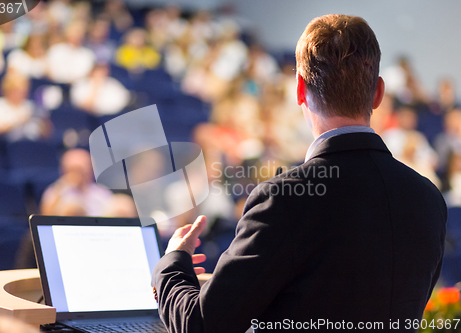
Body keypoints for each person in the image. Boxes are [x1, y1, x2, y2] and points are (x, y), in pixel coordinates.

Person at [151, 14, 446, 332]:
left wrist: (172, 265)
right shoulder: (428, 198)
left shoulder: (284, 198)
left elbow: (202, 326)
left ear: (300, 90)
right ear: (378, 93)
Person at [40, 149, 112, 216]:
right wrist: (61, 186)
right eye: (74, 170)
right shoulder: (55, 192)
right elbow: (45, 217)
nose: (78, 175)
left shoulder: (101, 192)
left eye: (82, 170)